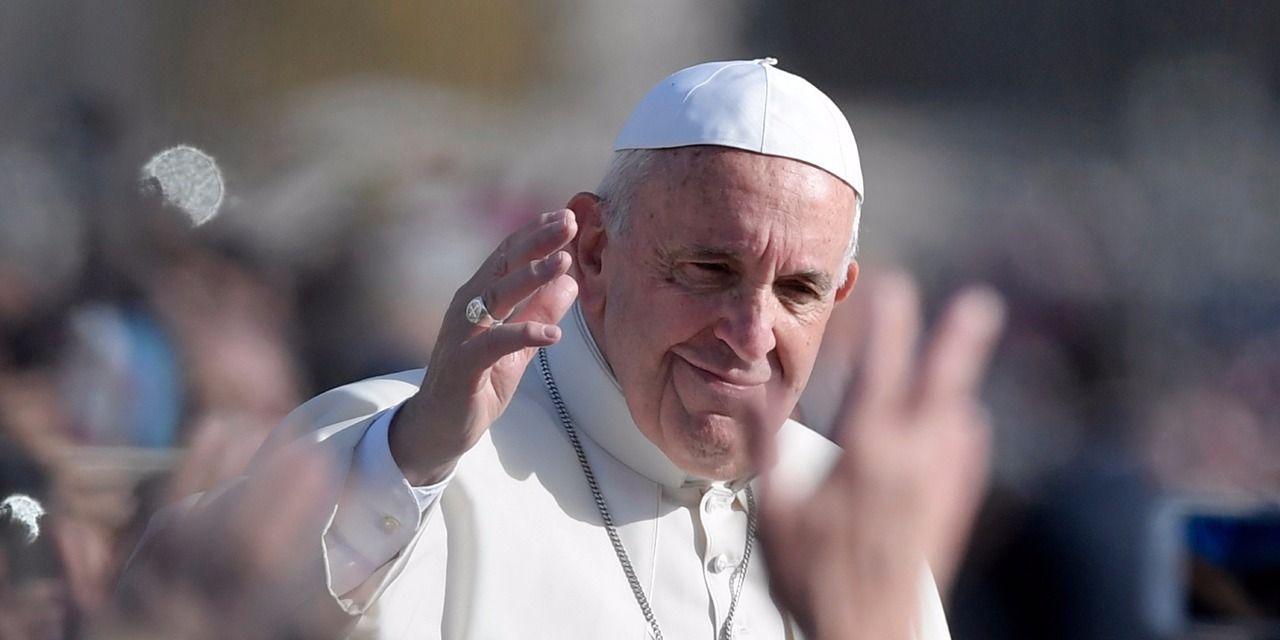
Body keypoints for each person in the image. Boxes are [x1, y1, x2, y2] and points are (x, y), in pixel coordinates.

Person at [123, 59, 1005, 640]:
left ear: (839, 300)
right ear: (594, 253)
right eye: (708, 269)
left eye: (798, 291)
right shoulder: (405, 446)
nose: (750, 333)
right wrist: (413, 463)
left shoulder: (852, 518)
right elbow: (173, 611)